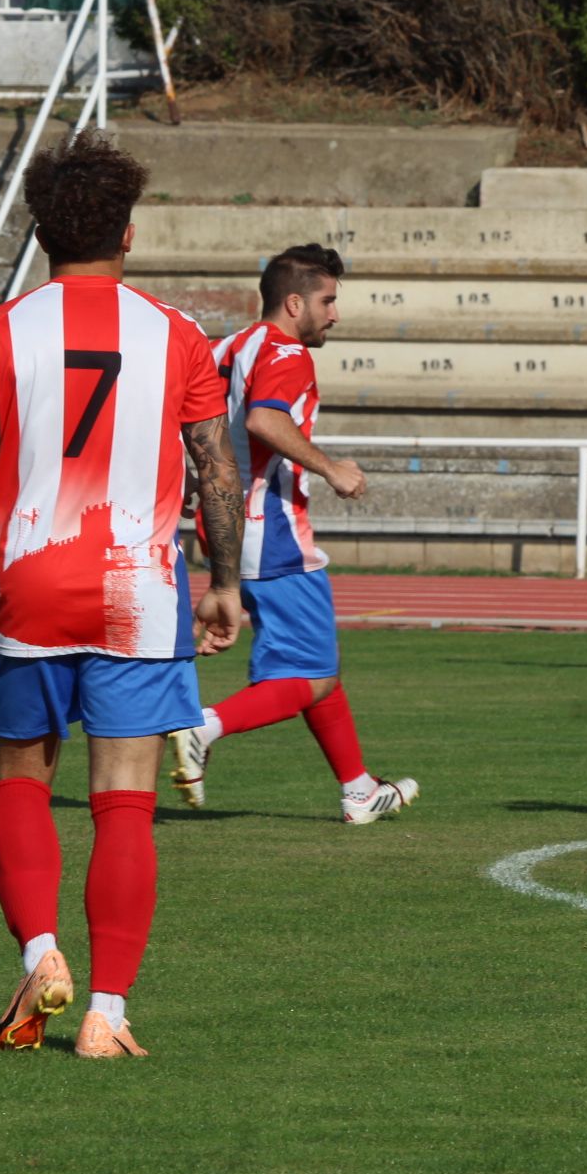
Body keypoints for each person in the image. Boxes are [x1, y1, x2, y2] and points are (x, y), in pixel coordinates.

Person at [0, 131, 244, 1059]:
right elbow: (215, 466)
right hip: (139, 587)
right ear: (128, 234)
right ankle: (107, 1012)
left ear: (42, 233)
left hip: (30, 579)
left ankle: (41, 950)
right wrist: (224, 583)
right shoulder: (178, 335)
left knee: (20, 780)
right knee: (126, 802)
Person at [166, 245, 419, 824]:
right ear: (295, 301)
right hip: (270, 527)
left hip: (226, 521)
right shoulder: (285, 353)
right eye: (328, 301)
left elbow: (195, 425)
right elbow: (264, 418)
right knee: (312, 673)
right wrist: (331, 467)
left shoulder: (226, 348)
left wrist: (187, 480)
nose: (335, 314)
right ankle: (203, 728)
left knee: (316, 665)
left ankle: (359, 788)